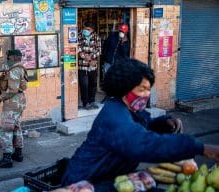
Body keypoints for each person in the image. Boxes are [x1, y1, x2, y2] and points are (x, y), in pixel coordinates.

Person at [61, 58, 219, 185]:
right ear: (123, 88)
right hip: (82, 183)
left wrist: (163, 123)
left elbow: (145, 125)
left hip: (108, 180)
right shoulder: (113, 116)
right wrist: (200, 147)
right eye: (141, 89)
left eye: (148, 89)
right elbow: (143, 144)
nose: (146, 94)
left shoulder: (133, 109)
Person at [0, 49, 27, 168]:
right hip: (18, 104)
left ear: (14, 58)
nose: (6, 60)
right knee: (17, 128)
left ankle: (7, 158)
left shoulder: (14, 70)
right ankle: (18, 154)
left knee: (6, 130)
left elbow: (12, 90)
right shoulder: (20, 69)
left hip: (12, 105)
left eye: (8, 58)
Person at [78, 22, 101, 110]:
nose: (86, 31)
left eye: (88, 30)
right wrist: (85, 57)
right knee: (84, 85)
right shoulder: (79, 36)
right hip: (82, 66)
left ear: (92, 30)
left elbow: (99, 50)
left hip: (93, 66)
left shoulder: (96, 37)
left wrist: (92, 58)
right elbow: (78, 48)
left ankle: (92, 101)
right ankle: (85, 103)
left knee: (93, 84)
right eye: (85, 29)